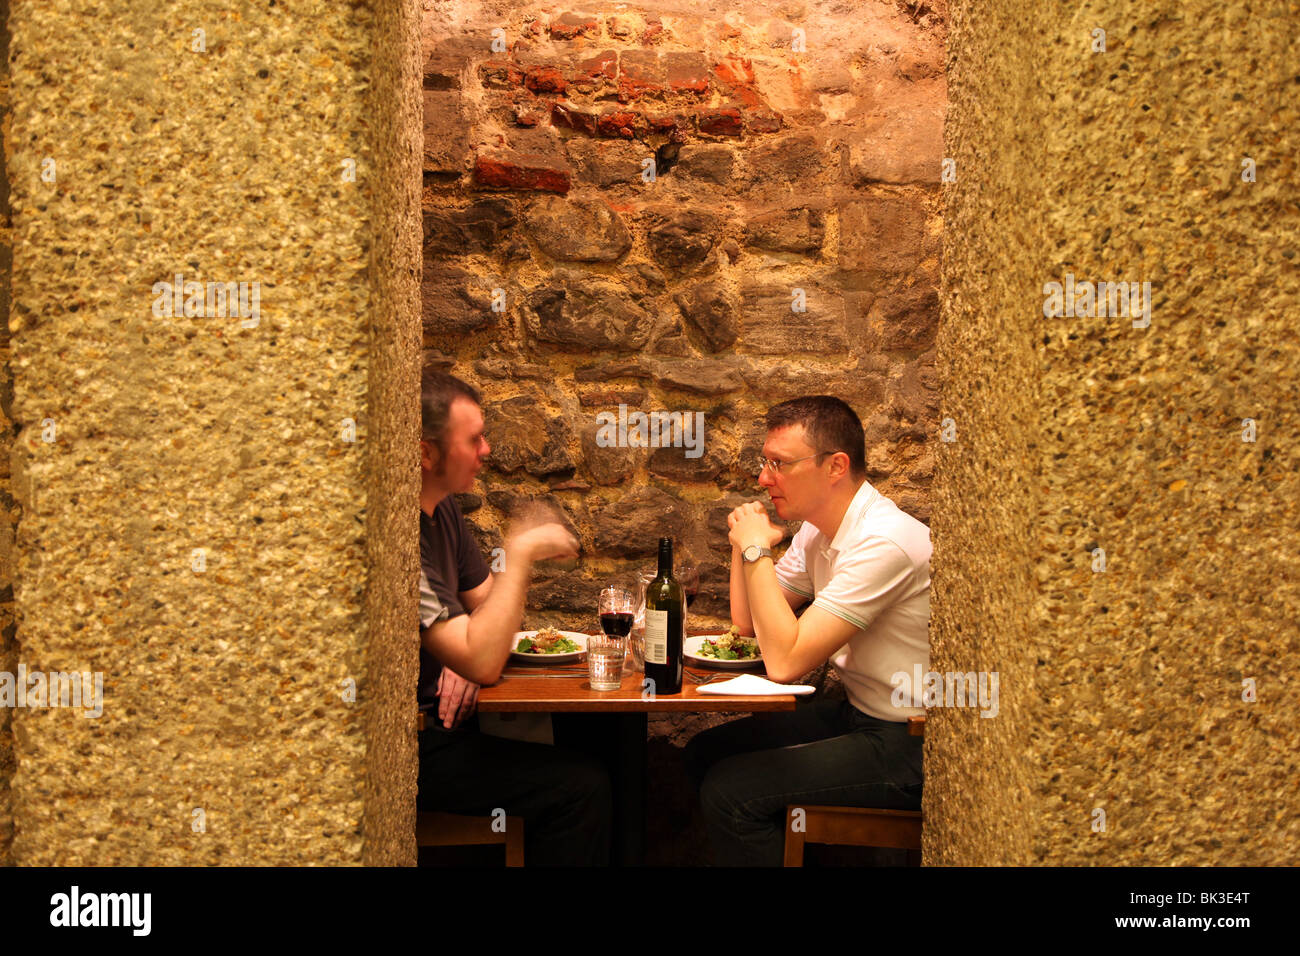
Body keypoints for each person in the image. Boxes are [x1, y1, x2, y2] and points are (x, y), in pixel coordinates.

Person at [684, 395, 930, 866]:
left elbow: (785, 661)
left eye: (779, 464)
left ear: (836, 466)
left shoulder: (884, 542)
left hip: (908, 743)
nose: (762, 478)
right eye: (764, 462)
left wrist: (758, 549)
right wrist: (745, 545)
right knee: (704, 753)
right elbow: (749, 624)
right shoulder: (821, 530)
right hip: (858, 716)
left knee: (730, 793)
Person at [416, 368, 611, 866]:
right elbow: (482, 655)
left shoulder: (443, 511)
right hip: (419, 745)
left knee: (602, 743)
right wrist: (519, 553)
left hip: (456, 722)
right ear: (425, 452)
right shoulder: (402, 533)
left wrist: (465, 651)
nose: (486, 451)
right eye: (474, 439)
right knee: (581, 788)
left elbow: (484, 605)